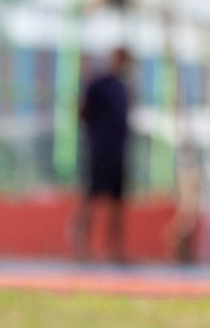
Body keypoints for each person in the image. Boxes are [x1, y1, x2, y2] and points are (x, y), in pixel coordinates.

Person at [73, 47, 133, 263]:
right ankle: (81, 248)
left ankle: (115, 251)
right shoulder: (98, 85)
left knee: (117, 202)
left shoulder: (123, 88)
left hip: (118, 152)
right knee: (90, 198)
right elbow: (82, 111)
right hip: (99, 151)